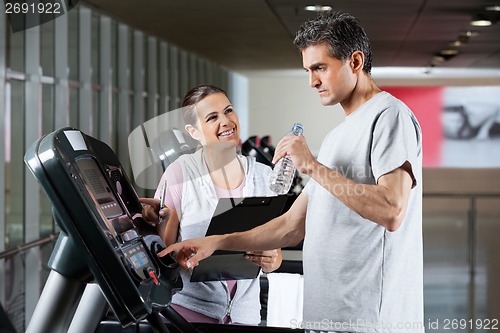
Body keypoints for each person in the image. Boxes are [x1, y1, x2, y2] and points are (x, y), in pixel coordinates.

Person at [162, 11, 424, 333]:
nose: (312, 81)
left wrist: (311, 165)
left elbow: (392, 210)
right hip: (329, 315)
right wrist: (216, 243)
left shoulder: (389, 116)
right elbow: (291, 225)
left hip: (369, 319)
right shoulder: (337, 137)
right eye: (307, 70)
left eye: (320, 68)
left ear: (355, 62)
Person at [140, 84, 282, 325]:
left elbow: (274, 247)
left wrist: (273, 260)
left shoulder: (263, 176)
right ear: (193, 131)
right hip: (188, 317)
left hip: (244, 318)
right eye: (212, 117)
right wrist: (175, 242)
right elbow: (162, 255)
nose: (225, 121)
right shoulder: (180, 173)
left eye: (228, 111)